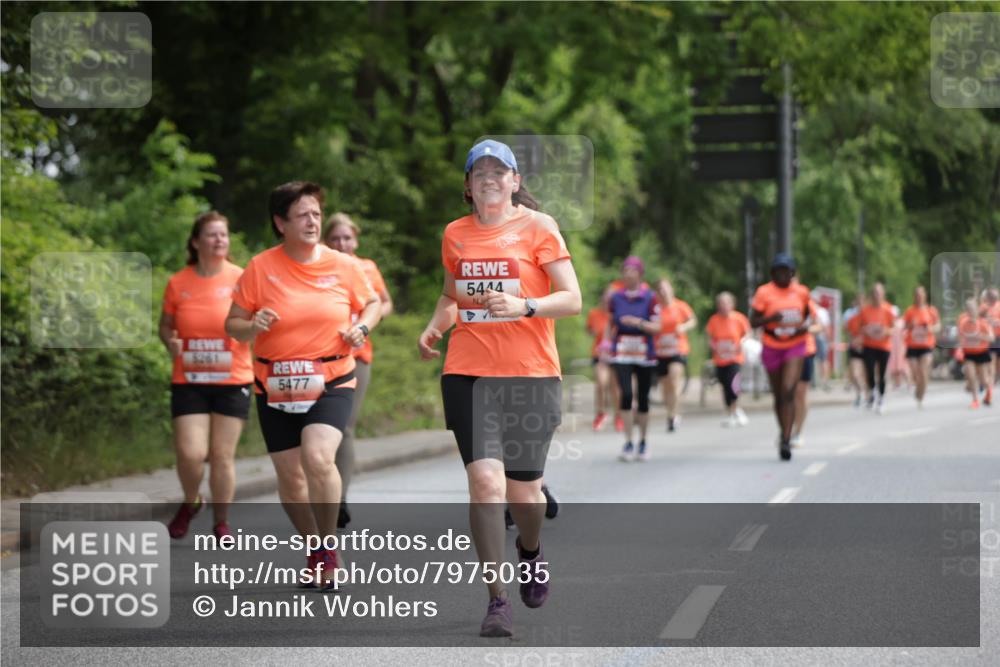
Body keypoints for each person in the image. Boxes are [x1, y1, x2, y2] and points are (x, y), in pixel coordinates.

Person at [417, 140, 581, 637]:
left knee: (524, 496)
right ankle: (497, 600)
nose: (489, 177)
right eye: (479, 171)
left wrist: (526, 307)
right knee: (486, 484)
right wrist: (435, 325)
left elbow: (571, 298)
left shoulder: (539, 227)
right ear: (468, 186)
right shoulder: (455, 233)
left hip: (530, 373)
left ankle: (529, 552)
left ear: (514, 181)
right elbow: (452, 293)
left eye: (499, 170)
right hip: (469, 372)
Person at [225, 181, 381, 588]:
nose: (313, 221)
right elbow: (232, 324)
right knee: (291, 478)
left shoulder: (344, 265)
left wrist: (361, 327)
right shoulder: (260, 268)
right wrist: (251, 324)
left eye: (316, 213)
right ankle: (313, 546)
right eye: (302, 215)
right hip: (275, 384)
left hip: (332, 377)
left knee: (317, 458)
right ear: (281, 223)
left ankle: (329, 547)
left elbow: (373, 302)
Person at [160, 212, 254, 540]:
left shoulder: (241, 278)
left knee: (221, 455)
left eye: (223, 235)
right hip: (190, 379)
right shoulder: (178, 282)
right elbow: (166, 324)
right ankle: (191, 501)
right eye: (212, 235)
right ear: (196, 241)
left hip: (233, 378)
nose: (219, 240)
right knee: (190, 453)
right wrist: (169, 341)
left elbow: (253, 324)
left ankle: (222, 522)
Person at [323, 213, 394, 529]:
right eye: (335, 238)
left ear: (356, 240)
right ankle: (322, 492)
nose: (342, 243)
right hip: (318, 357)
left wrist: (365, 323)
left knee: (345, 427)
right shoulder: (319, 265)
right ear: (327, 240)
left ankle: (339, 499)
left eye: (347, 238)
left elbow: (385, 303)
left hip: (357, 355)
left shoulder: (366, 268)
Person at [749, 253, 811, 461]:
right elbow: (754, 321)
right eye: (778, 271)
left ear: (792, 273)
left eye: (786, 271)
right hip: (772, 345)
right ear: (773, 273)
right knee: (778, 396)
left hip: (794, 345)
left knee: (788, 390)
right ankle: (783, 429)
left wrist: (802, 329)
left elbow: (808, 316)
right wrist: (771, 319)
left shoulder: (801, 292)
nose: (782, 275)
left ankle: (786, 440)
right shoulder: (764, 292)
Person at [606, 256, 659, 462]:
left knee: (643, 398)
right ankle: (628, 441)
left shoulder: (650, 297)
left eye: (632, 270)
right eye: (625, 270)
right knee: (626, 395)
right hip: (622, 352)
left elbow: (657, 326)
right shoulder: (616, 298)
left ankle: (643, 441)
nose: (627, 274)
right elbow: (610, 324)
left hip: (644, 352)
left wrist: (638, 323)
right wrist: (605, 344)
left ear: (640, 273)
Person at [652, 278, 697, 432]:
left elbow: (692, 320)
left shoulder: (680, 306)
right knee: (665, 387)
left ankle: (673, 415)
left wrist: (683, 327)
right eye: (660, 290)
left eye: (665, 288)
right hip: (660, 351)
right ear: (657, 293)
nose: (663, 292)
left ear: (671, 289)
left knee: (674, 379)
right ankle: (670, 411)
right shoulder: (655, 309)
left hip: (678, 349)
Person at [705, 291, 751, 427]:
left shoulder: (739, 318)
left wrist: (742, 341)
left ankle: (736, 408)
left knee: (733, 383)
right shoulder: (714, 320)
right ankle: (730, 413)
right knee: (724, 385)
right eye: (721, 303)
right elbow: (710, 337)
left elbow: (747, 333)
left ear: (732, 304)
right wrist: (714, 346)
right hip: (720, 359)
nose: (724, 306)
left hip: (735, 358)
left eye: (726, 303)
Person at [791, 297, 824, 448]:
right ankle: (787, 428)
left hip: (805, 351)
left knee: (801, 392)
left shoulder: (805, 302)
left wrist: (807, 329)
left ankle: (798, 432)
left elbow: (819, 326)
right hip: (783, 351)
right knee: (786, 392)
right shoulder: (772, 298)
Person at [858, 282, 896, 414]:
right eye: (874, 293)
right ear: (871, 295)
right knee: (869, 371)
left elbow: (893, 328)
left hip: (884, 346)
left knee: (882, 373)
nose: (876, 296)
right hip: (869, 345)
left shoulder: (888, 309)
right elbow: (860, 327)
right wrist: (867, 330)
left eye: (879, 293)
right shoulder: (865, 310)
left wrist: (885, 331)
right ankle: (872, 392)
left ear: (883, 294)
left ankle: (881, 398)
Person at [902, 286, 940, 409]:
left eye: (921, 294)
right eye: (916, 295)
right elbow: (904, 327)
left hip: (926, 345)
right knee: (915, 373)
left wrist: (930, 328)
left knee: (923, 371)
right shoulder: (910, 311)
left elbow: (938, 326)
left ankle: (921, 397)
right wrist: (910, 325)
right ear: (914, 297)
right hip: (912, 345)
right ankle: (918, 390)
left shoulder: (931, 310)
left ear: (925, 296)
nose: (919, 297)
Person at [586, 288, 617, 431]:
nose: (607, 301)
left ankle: (618, 415)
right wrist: (594, 332)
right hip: (600, 354)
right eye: (605, 298)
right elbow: (589, 330)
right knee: (601, 383)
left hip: (616, 354)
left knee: (615, 387)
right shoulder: (594, 313)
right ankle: (600, 413)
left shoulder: (618, 314)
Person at [958, 297, 995, 408]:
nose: (971, 311)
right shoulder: (963, 323)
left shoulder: (982, 323)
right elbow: (960, 337)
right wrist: (963, 342)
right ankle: (975, 400)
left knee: (983, 379)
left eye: (973, 309)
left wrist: (981, 336)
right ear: (967, 311)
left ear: (976, 309)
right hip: (969, 353)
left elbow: (992, 338)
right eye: (968, 309)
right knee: (971, 376)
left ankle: (989, 391)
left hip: (982, 352)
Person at [844, 296, 866, 407]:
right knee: (855, 374)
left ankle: (870, 394)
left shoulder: (870, 318)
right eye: (859, 304)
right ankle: (859, 393)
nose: (861, 307)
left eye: (863, 304)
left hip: (867, 349)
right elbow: (848, 333)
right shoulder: (852, 319)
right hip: (855, 349)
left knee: (867, 375)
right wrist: (853, 342)